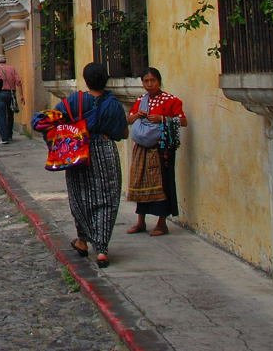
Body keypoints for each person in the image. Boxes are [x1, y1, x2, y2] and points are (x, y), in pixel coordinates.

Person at [39, 61, 127, 268]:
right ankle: (102, 249)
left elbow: (50, 121)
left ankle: (83, 240)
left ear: (86, 80)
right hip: (105, 151)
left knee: (80, 196)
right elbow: (122, 133)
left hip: (78, 153)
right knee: (107, 197)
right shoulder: (113, 105)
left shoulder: (73, 102)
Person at [125, 67, 187, 237]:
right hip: (142, 149)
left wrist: (162, 119)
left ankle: (162, 223)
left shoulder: (171, 100)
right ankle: (141, 221)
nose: (150, 84)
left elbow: (183, 121)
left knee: (163, 183)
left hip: (161, 150)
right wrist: (138, 115)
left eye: (153, 80)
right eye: (146, 81)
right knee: (140, 182)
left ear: (159, 81)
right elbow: (129, 119)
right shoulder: (140, 100)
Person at [0, 54, 24, 144]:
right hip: (11, 93)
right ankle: (10, 134)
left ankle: (4, 138)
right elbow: (19, 82)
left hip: (0, 94)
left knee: (2, 115)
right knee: (10, 114)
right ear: (5, 61)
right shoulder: (12, 69)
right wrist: (21, 95)